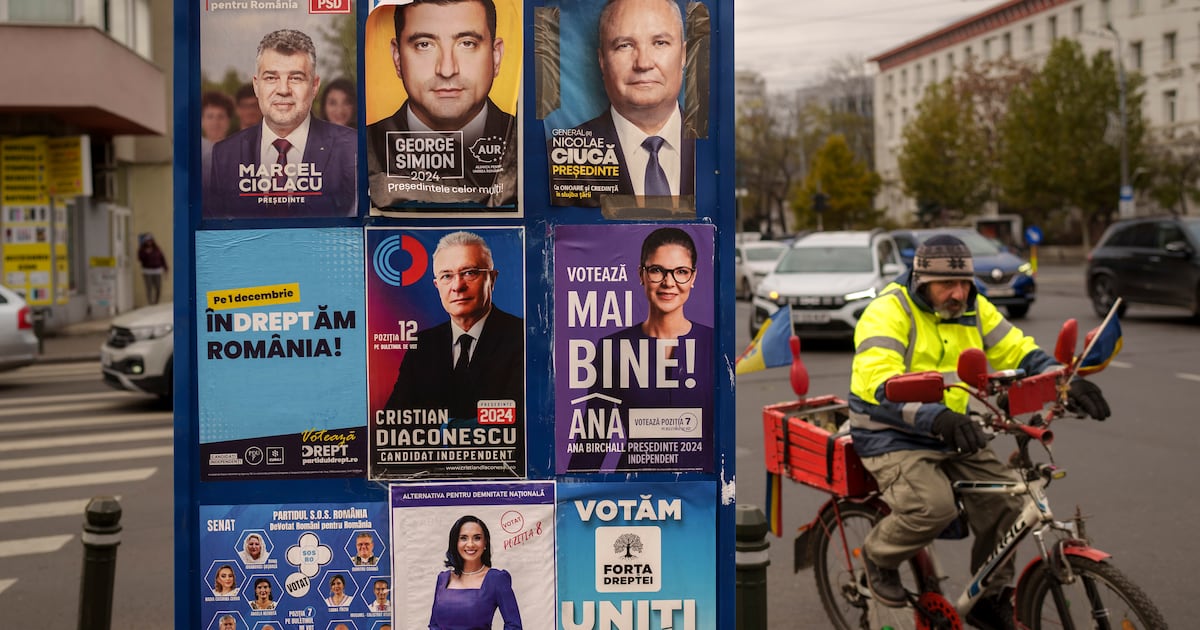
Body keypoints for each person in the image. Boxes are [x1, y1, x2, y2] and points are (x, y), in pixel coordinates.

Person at [849, 234, 1111, 629]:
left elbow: (1018, 350)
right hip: (892, 434)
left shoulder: (974, 307)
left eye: (965, 284)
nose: (958, 294)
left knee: (1009, 502)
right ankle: (878, 557)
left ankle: (988, 598)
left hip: (953, 430)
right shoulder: (887, 311)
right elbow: (878, 381)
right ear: (921, 281)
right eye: (946, 285)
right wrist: (935, 417)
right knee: (932, 506)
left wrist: (1065, 383)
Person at [569, 227, 713, 471]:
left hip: (701, 495)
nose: (669, 283)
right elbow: (593, 439)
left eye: (681, 272)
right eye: (657, 270)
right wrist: (570, 499)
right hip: (634, 492)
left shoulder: (713, 344)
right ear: (641, 274)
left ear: (694, 277)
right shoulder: (612, 348)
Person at [366, 0, 518, 208]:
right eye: (424, 45)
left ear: (496, 56)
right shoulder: (362, 151)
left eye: (467, 43)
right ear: (397, 57)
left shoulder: (528, 150)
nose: (447, 69)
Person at [206, 29, 357, 219]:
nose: (283, 90)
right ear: (256, 85)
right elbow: (217, 239)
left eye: (295, 78)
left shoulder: (352, 148)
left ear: (315, 86)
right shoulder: (224, 155)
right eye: (271, 78)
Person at [384, 231, 524, 422]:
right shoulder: (423, 345)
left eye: (469, 273)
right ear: (437, 285)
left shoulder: (522, 338)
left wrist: (444, 432)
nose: (457, 286)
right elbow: (393, 422)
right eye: (447, 276)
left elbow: (520, 424)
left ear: (492, 279)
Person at [566, 0, 694, 206]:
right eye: (624, 45)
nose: (643, 63)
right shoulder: (559, 157)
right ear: (602, 60)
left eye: (660, 43)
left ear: (684, 54)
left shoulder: (714, 148)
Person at [428, 515, 522, 629]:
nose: (470, 544)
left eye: (477, 538)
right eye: (463, 538)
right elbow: (434, 625)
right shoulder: (443, 579)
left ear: (485, 543)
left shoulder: (497, 579)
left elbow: (514, 626)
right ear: (455, 542)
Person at [201, 91, 236, 191]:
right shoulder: (194, 150)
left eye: (220, 117)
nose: (215, 122)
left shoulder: (238, 150)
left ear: (228, 121)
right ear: (202, 121)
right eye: (210, 116)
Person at [136, 233, 169, 306]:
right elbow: (139, 259)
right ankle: (150, 302)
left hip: (157, 270)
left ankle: (156, 302)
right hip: (147, 271)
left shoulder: (157, 249)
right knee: (149, 287)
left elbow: (162, 258)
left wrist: (166, 268)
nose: (149, 242)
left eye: (150, 241)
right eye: (147, 241)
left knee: (158, 287)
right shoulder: (142, 250)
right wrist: (145, 253)